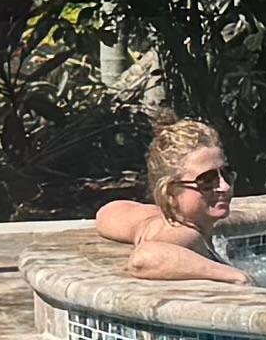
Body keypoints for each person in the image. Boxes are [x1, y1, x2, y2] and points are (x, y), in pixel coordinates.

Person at [95, 115, 251, 284]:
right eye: (207, 181)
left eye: (225, 174)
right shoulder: (187, 235)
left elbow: (107, 212)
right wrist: (235, 275)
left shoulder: (161, 222)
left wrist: (148, 227)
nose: (225, 187)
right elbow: (143, 259)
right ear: (170, 191)